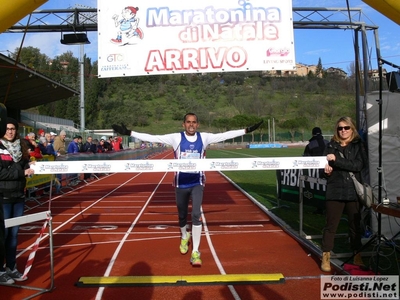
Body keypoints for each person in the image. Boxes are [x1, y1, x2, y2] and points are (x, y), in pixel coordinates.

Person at [112, 113, 262, 266]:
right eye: (188, 122)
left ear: (198, 124)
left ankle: (195, 251)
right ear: (184, 124)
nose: (191, 125)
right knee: (182, 215)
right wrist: (130, 133)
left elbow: (224, 135)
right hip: (181, 183)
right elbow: (153, 137)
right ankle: (185, 235)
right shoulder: (175, 138)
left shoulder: (204, 138)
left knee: (196, 215)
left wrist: (246, 130)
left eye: (194, 122)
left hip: (197, 182)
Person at [320, 116, 368, 272]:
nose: (343, 131)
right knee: (330, 226)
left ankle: (357, 253)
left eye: (346, 127)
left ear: (352, 129)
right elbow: (323, 170)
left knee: (355, 225)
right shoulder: (330, 146)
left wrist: (336, 161)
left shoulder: (358, 145)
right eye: (340, 128)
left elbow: (358, 165)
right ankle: (326, 255)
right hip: (335, 190)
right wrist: (326, 171)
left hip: (354, 191)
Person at [0, 118, 35, 283]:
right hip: (3, 197)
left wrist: (32, 164)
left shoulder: (22, 148)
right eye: (7, 129)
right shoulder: (0, 148)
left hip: (19, 196)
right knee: (3, 234)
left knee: (14, 235)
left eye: (13, 128)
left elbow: (25, 166)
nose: (10, 131)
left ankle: (11, 267)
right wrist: (22, 173)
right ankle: (0, 271)